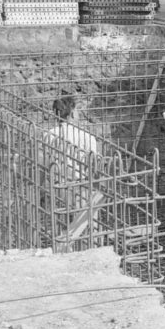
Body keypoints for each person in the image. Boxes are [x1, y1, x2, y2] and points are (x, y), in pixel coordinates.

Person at [44, 94, 101, 244]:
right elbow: (95, 168)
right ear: (72, 113)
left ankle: (62, 246)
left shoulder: (48, 135)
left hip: (57, 187)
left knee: (62, 224)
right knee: (87, 224)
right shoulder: (87, 138)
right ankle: (90, 246)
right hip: (81, 188)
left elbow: (43, 163)